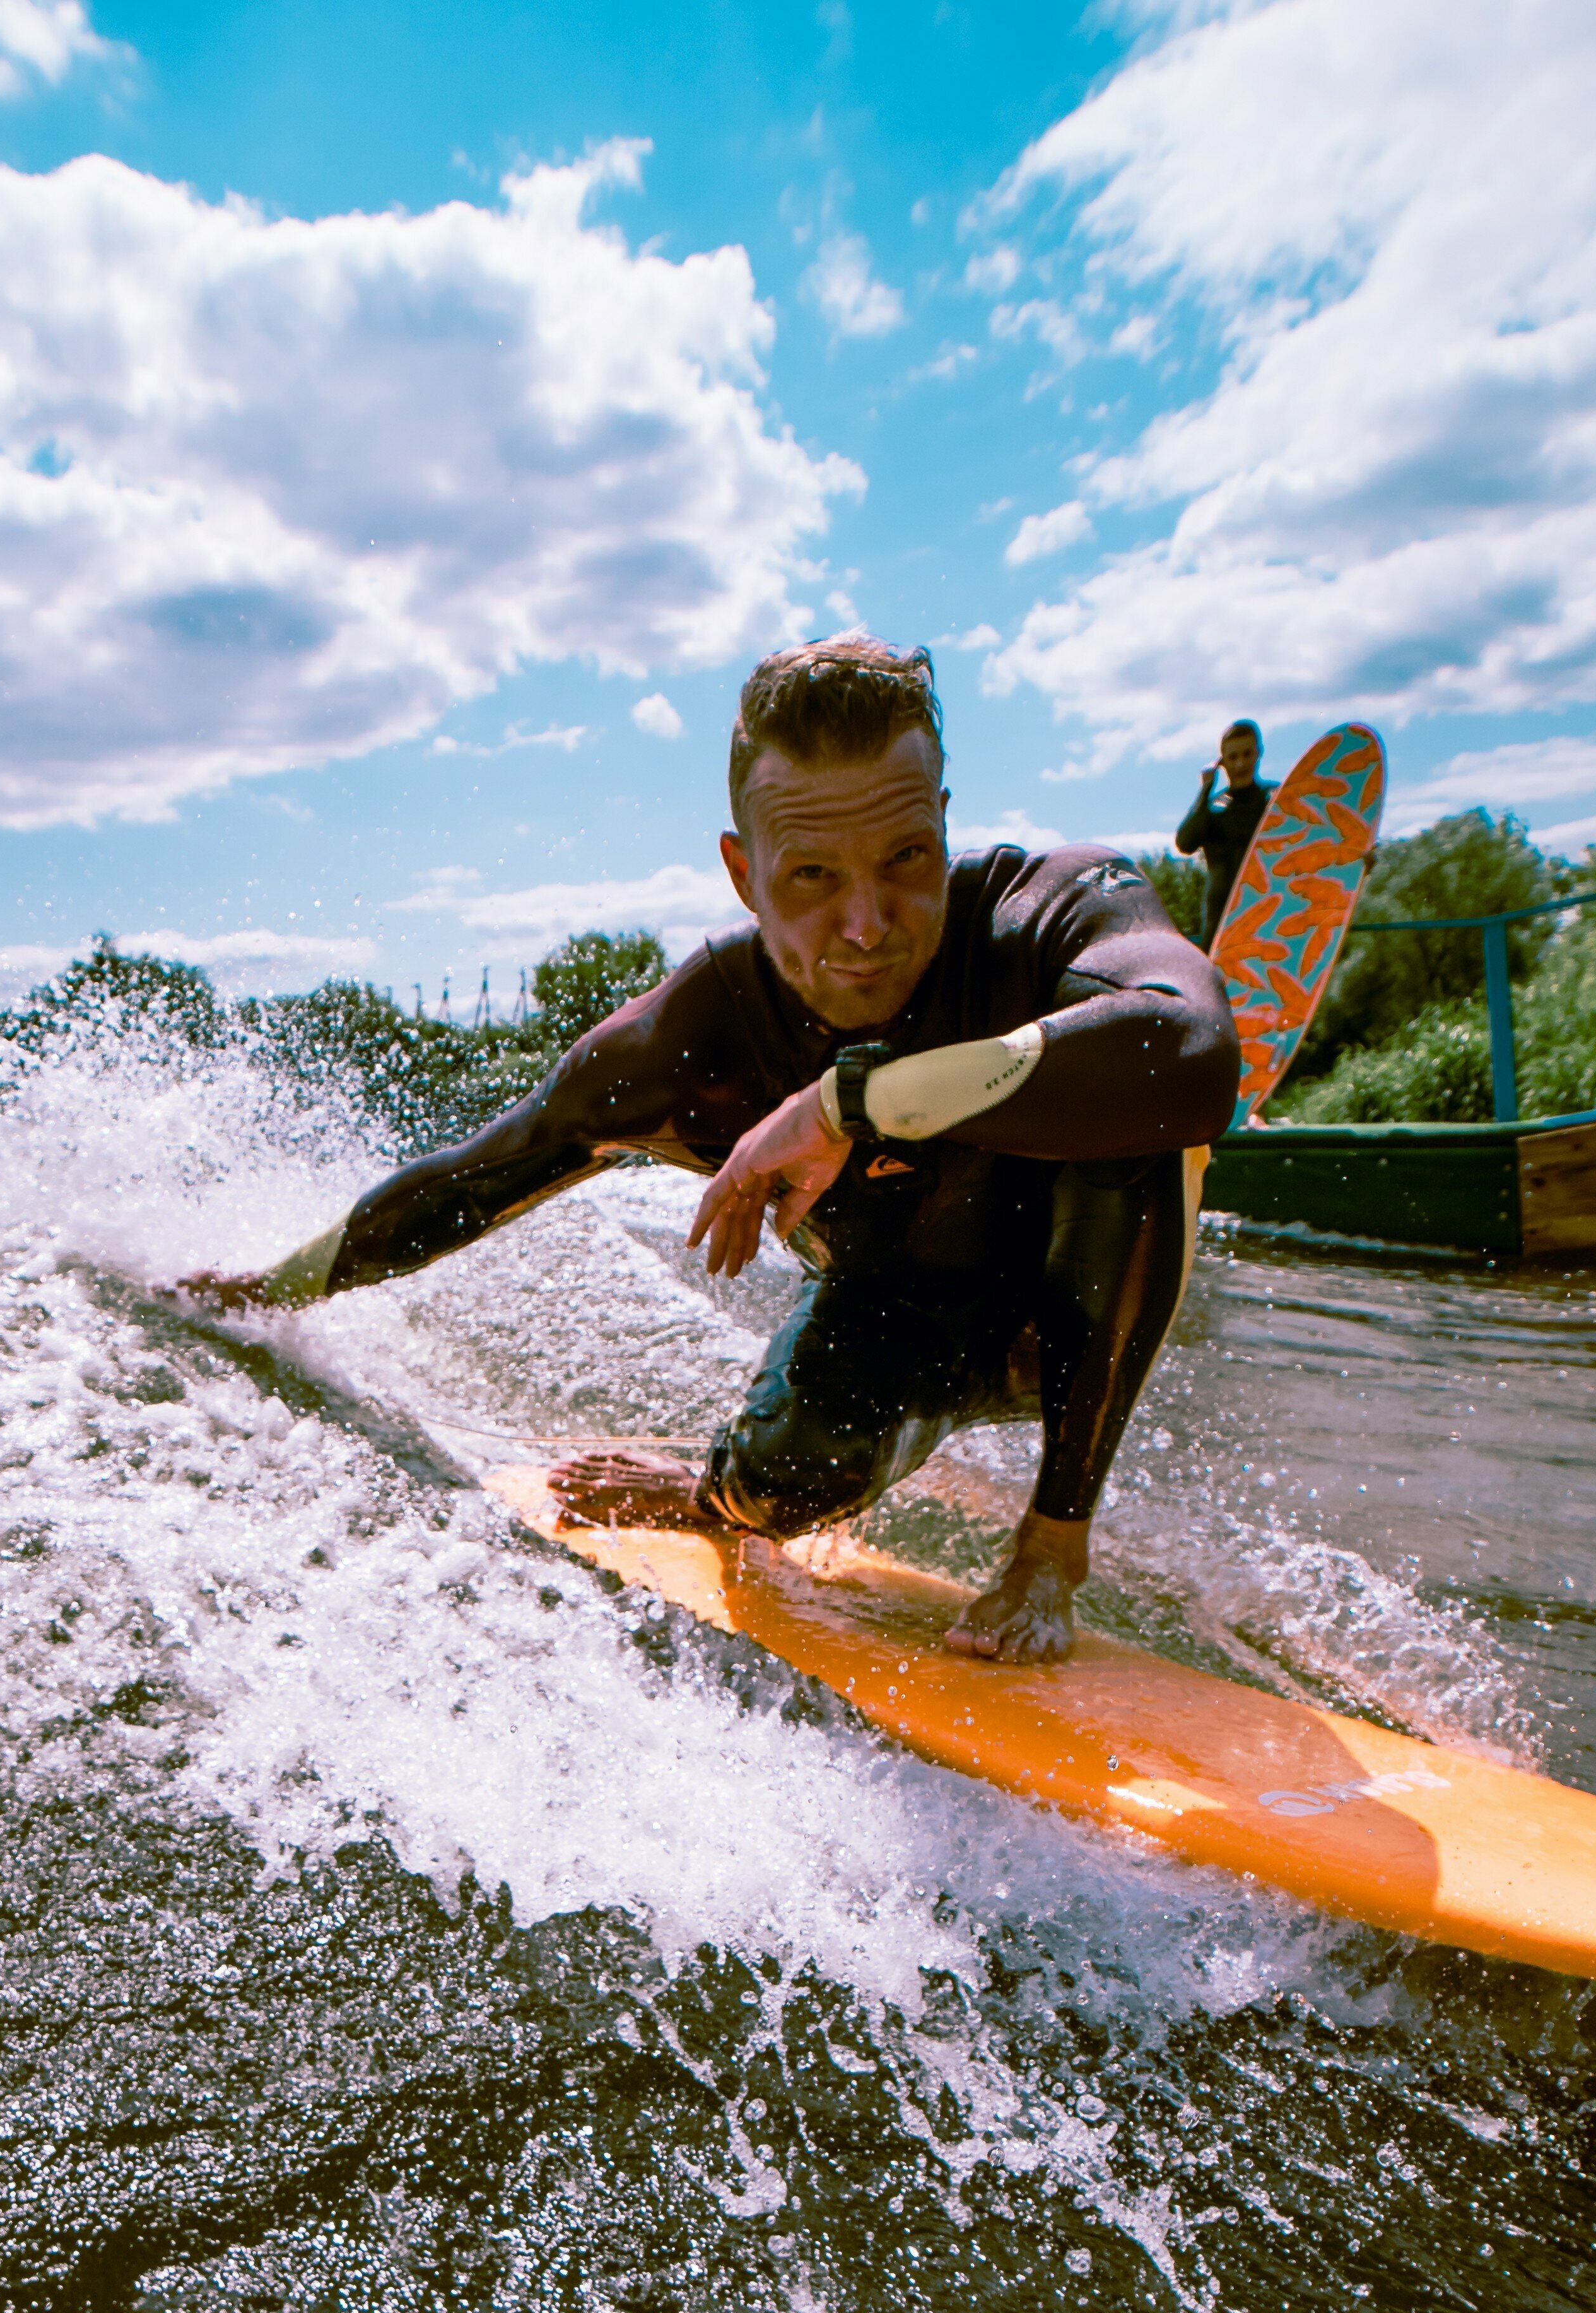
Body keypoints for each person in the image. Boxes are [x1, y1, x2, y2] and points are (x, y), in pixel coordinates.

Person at [178, 636, 1237, 1662]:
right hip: (898, 1319)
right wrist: (271, 1290)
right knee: (780, 1486)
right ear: (743, 871)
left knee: (1140, 1115)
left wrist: (845, 1102)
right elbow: (476, 1176)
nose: (866, 924)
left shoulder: (1046, 910)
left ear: (944, 827)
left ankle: (1053, 1542)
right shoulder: (695, 1045)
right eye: (812, 876)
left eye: (905, 859)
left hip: (1088, 1302)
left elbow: (1192, 1052)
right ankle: (707, 1491)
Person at [1175, 720, 1275, 946]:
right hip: (1220, 923)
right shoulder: (1212, 808)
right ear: (1222, 762)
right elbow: (1185, 843)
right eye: (1233, 757)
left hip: (1268, 917)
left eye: (1247, 754)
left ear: (1258, 754)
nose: (1240, 764)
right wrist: (1205, 789)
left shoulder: (1276, 800)